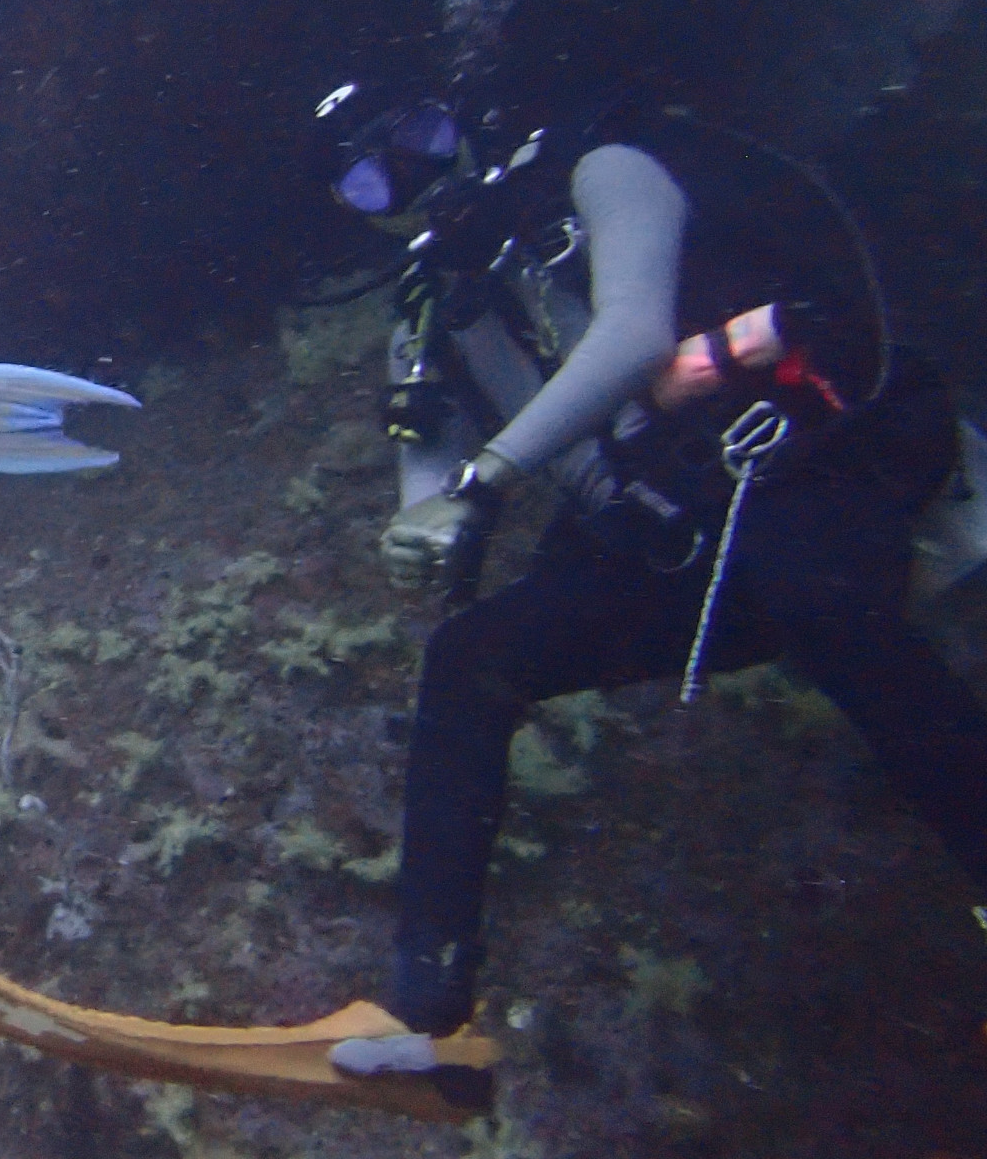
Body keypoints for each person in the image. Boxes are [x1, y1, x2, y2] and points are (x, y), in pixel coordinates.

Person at [315, 88, 987, 1088]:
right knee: (469, 660)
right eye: (372, 175)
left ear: (463, 119)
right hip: (673, 552)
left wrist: (484, 483)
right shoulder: (423, 310)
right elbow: (427, 470)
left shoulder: (599, 170)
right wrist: (422, 526)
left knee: (808, 588)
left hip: (808, 472)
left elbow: (632, 332)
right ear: (357, 206)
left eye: (417, 138)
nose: (411, 176)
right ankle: (428, 1014)